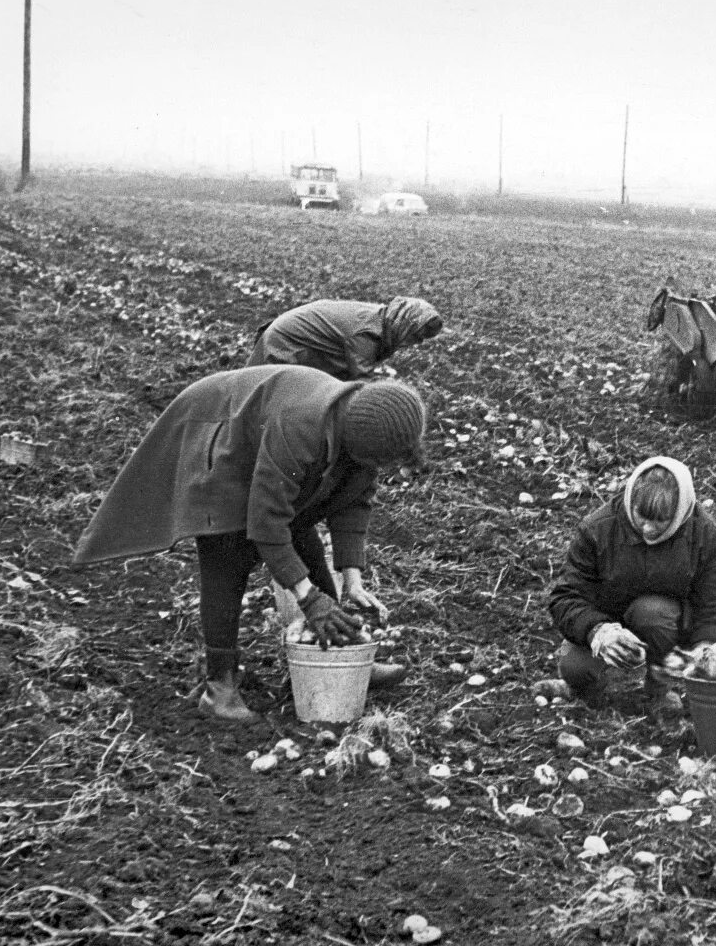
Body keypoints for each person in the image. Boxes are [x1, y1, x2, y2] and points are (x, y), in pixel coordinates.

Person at [73, 365, 426, 721]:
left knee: (302, 530)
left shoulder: (363, 425)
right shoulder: (302, 426)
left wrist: (353, 580)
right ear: (361, 446)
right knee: (226, 555)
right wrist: (307, 596)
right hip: (217, 436)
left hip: (262, 440)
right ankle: (219, 687)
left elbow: (353, 499)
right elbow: (268, 522)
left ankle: (338, 655)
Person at [547, 456, 716, 712]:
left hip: (671, 630)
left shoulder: (704, 534)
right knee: (574, 667)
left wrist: (707, 649)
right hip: (610, 623)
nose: (648, 529)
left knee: (651, 612)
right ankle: (606, 689)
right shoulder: (597, 529)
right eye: (641, 516)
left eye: (660, 520)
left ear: (680, 513)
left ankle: (658, 689)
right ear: (630, 502)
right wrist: (597, 632)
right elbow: (566, 596)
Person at [246, 295, 443, 380]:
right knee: (278, 402)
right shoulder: (368, 334)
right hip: (286, 344)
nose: (415, 344)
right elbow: (361, 379)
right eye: (415, 337)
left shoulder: (383, 319)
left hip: (301, 342)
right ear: (404, 324)